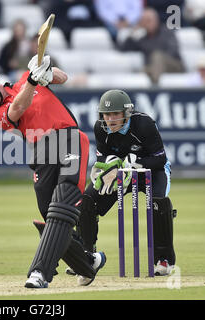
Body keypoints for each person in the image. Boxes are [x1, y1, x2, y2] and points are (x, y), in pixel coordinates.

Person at [0, 55, 106, 288]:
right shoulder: (0, 116)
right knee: (49, 212)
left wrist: (46, 71)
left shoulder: (24, 80)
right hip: (42, 150)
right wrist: (33, 79)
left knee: (64, 199)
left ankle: (40, 272)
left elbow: (63, 77)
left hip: (68, 138)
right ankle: (88, 262)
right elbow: (19, 106)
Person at [73, 89, 176, 277]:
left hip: (152, 172)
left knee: (158, 203)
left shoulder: (144, 124)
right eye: (106, 114)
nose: (110, 119)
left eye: (115, 114)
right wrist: (111, 164)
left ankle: (164, 260)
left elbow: (160, 159)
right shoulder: (100, 128)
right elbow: (103, 155)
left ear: (126, 113)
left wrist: (134, 163)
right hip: (120, 173)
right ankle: (86, 256)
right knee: (88, 200)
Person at [119, 8, 185, 84]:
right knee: (141, 71)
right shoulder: (142, 38)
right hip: (152, 68)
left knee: (157, 56)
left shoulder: (167, 32)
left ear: (156, 20)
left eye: (149, 20)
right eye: (143, 21)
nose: (146, 23)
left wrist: (158, 60)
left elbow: (173, 51)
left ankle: (154, 89)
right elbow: (123, 49)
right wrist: (133, 33)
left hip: (174, 65)